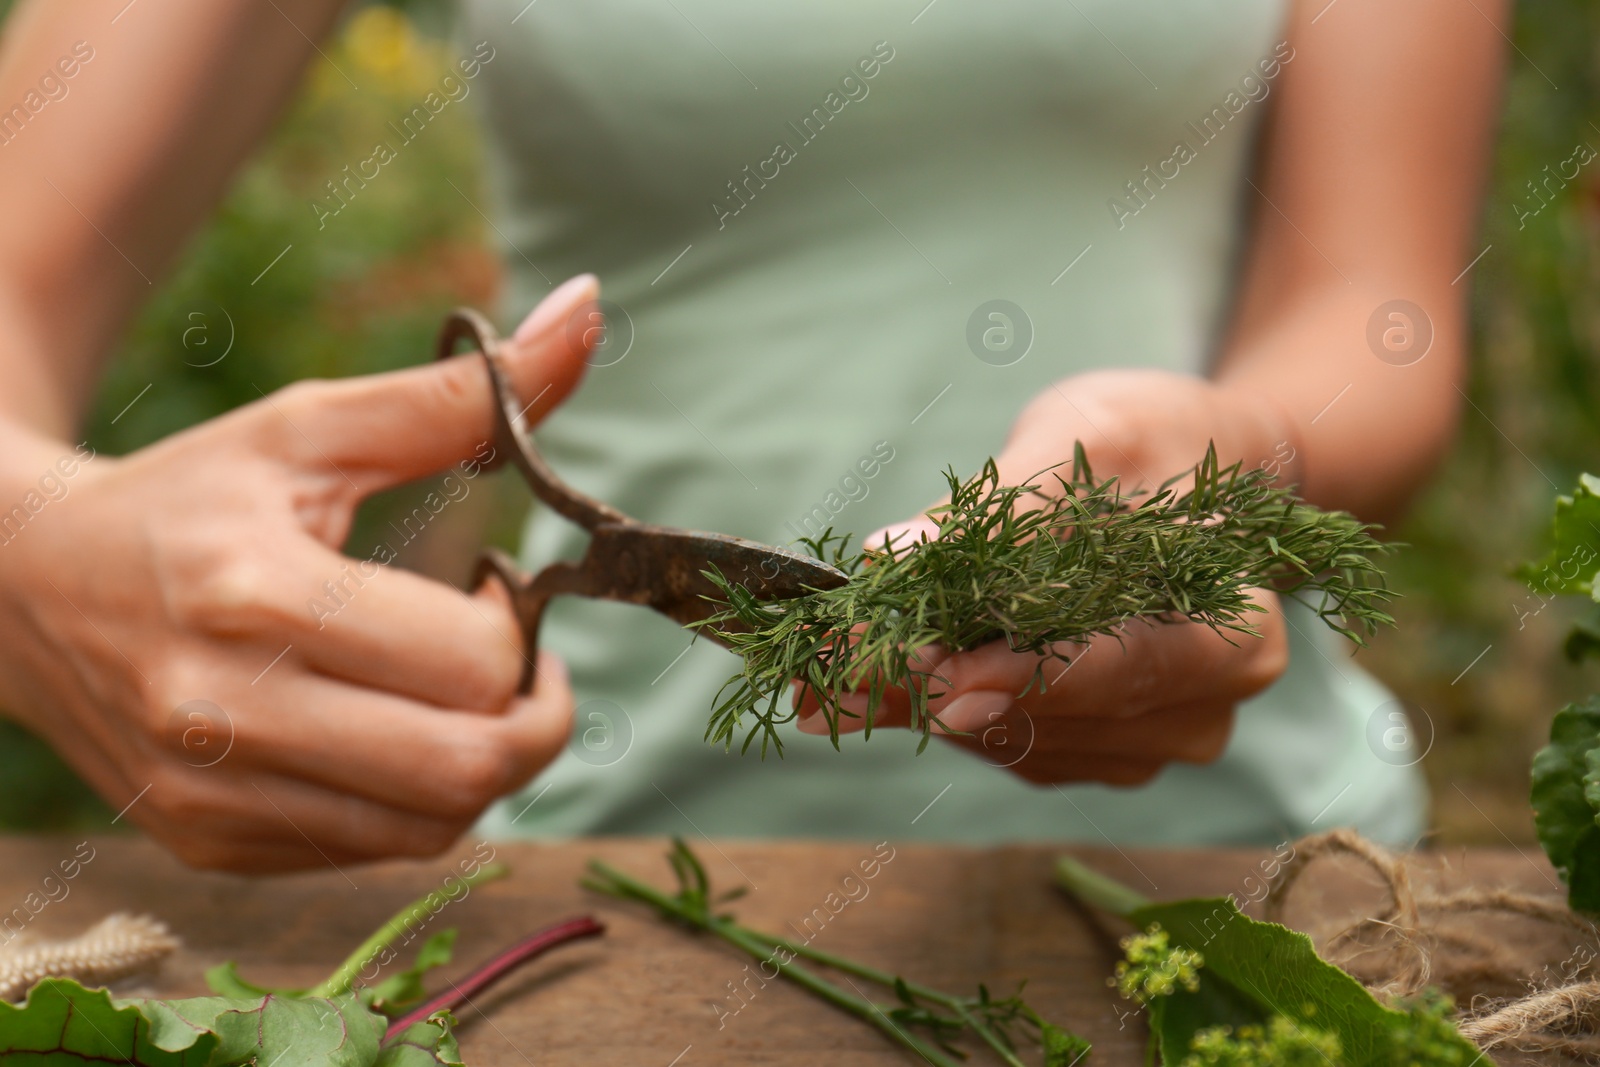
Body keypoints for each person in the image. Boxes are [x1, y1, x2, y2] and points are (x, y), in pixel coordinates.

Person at [0, 0, 1506, 871]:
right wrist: (37, 552)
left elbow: (1379, 313)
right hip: (592, 895)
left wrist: (1236, 459)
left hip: (1259, 886)